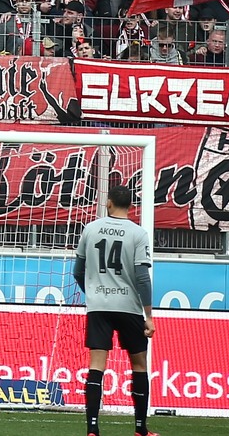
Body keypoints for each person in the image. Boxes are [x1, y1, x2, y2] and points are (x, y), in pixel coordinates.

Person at [74, 183, 154, 436]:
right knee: (139, 365)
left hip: (99, 307)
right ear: (131, 206)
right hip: (129, 307)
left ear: (108, 202)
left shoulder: (91, 229)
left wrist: (94, 293)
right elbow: (142, 277)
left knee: (96, 365)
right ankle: (141, 429)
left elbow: (78, 271)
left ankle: (92, 430)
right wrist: (148, 315)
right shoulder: (138, 233)